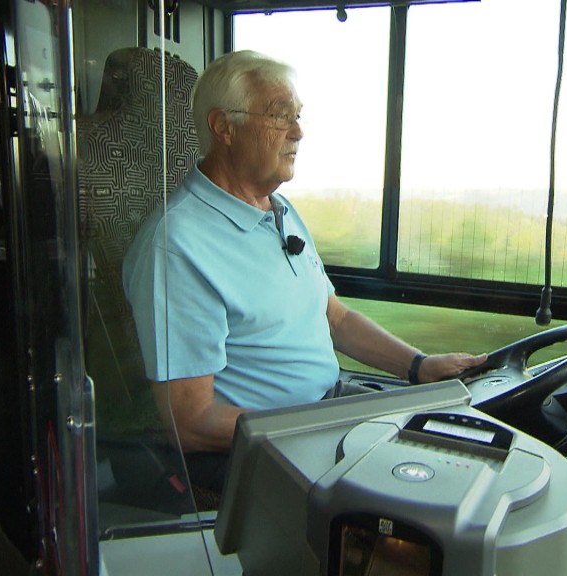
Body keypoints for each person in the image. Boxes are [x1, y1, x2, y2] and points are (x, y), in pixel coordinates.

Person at [122, 50, 486, 490]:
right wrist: (322, 423)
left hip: (327, 406)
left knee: (462, 443)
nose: (298, 132)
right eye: (281, 117)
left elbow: (335, 317)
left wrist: (419, 367)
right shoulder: (177, 247)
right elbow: (193, 423)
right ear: (224, 127)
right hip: (268, 446)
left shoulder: (278, 210)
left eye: (298, 116)